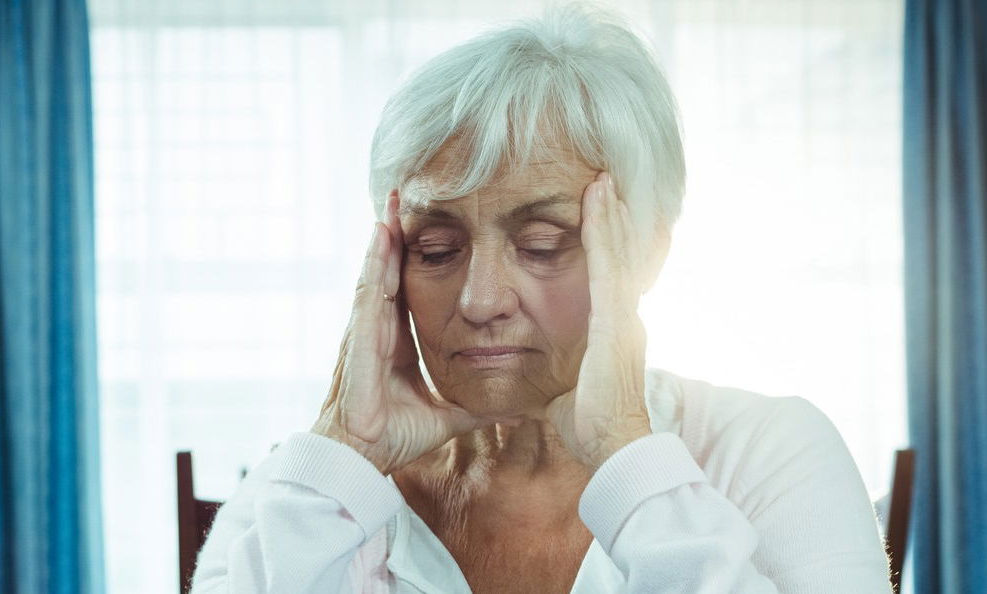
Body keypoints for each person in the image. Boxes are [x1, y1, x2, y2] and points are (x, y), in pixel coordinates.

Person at [188, 5, 893, 593]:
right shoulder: (307, 485)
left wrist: (626, 453)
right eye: (435, 249)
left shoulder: (768, 450)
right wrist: (341, 456)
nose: (481, 299)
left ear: (645, 250)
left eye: (543, 242)